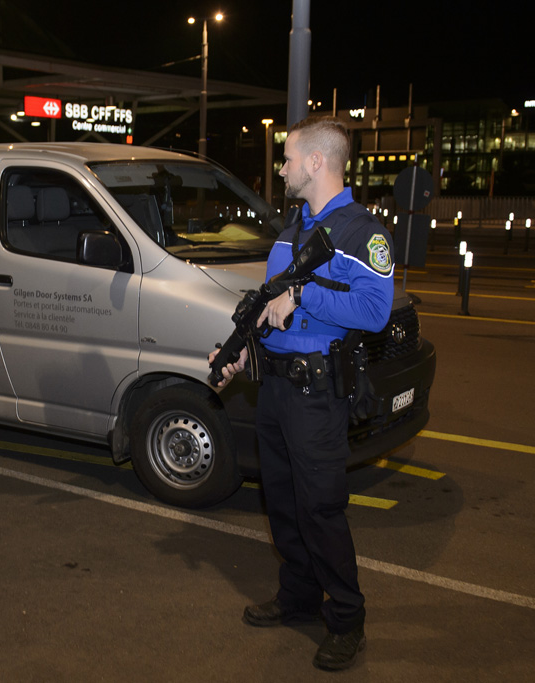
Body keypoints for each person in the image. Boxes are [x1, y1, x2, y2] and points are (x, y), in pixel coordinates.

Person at [210, 116, 394, 671]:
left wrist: (307, 297)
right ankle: (297, 600)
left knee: (320, 510)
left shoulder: (363, 231)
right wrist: (242, 348)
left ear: (317, 162)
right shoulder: (294, 226)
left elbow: (375, 311)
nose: (282, 167)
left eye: (288, 158)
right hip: (276, 390)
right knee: (283, 505)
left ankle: (347, 618)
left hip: (318, 395)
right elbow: (271, 304)